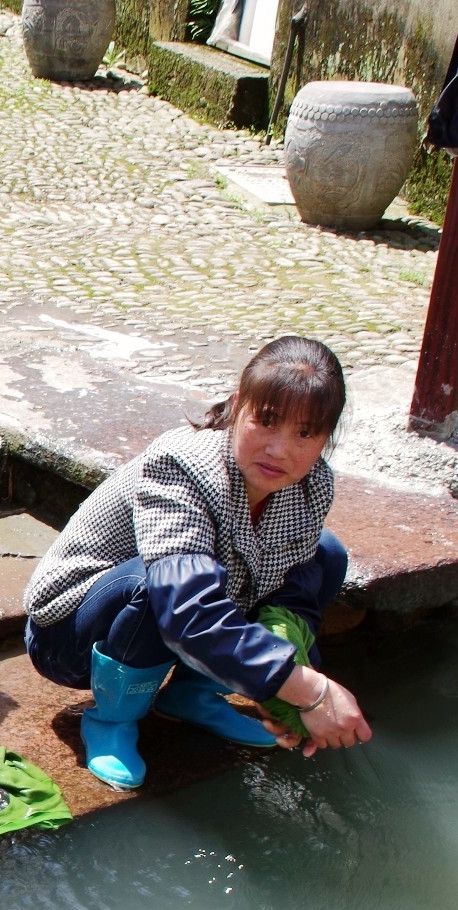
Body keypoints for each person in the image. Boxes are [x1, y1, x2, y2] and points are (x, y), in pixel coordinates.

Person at [21, 335, 372, 790]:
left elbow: (293, 601)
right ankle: (112, 718)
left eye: (305, 433)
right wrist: (305, 687)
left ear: (325, 439)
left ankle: (194, 693)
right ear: (237, 406)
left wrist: (283, 691)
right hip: (71, 634)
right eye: (266, 421)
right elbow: (186, 609)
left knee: (325, 554)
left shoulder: (312, 487)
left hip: (172, 619)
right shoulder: (181, 464)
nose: (280, 449)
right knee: (159, 582)